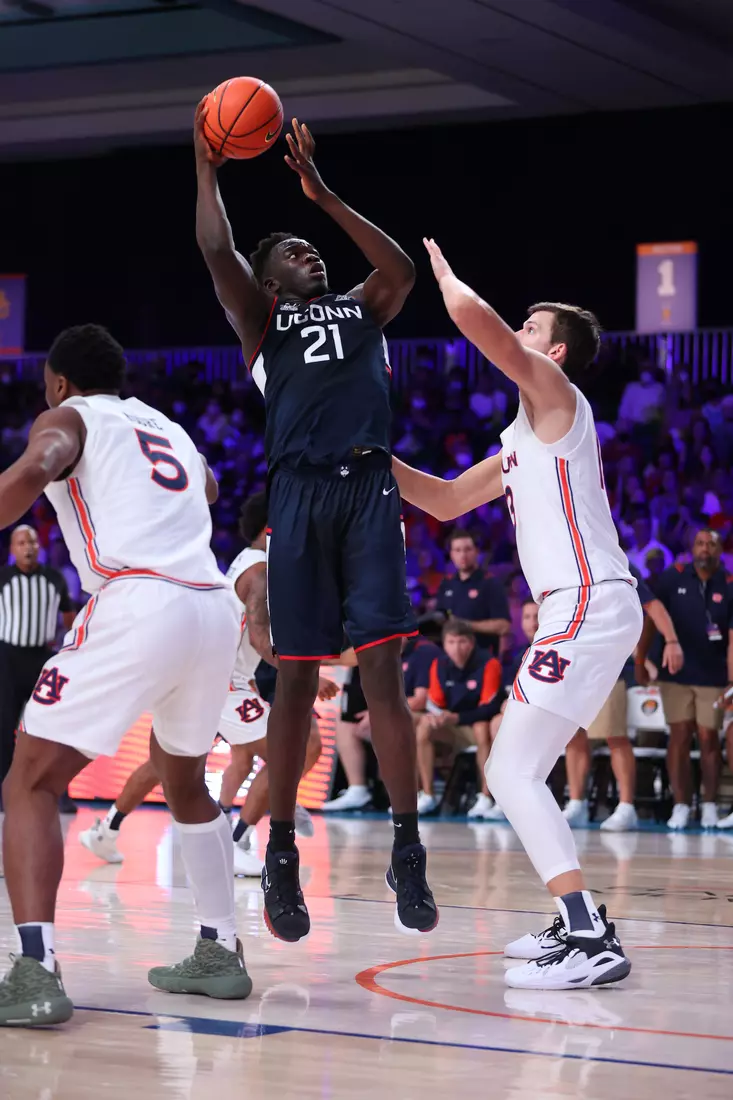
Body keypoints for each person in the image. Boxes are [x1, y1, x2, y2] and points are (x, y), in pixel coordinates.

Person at [194, 104, 436, 941]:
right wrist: (206, 167)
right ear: (269, 283)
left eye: (313, 246)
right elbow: (215, 250)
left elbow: (399, 267)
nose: (310, 252)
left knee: (382, 677)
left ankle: (407, 848)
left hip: (368, 490)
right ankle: (283, 851)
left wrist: (323, 194)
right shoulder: (263, 323)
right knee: (294, 680)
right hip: (296, 496)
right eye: (293, 250)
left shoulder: (363, 308)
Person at [394, 240, 642, 991]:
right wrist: (370, 455)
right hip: (581, 608)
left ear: (555, 350)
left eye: (532, 328)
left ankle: (586, 934)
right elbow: (439, 501)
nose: (521, 335)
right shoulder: (518, 438)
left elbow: (482, 329)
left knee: (508, 767)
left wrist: (441, 280)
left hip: (587, 602)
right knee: (517, 769)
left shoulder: (558, 397)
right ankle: (578, 919)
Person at [0, 324, 249, 1029]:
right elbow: (207, 482)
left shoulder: (67, 417)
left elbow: (35, 466)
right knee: (184, 780)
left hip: (142, 599)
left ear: (56, 381)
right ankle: (220, 950)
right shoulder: (166, 426)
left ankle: (34, 970)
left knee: (29, 780)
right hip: (209, 608)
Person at [78, 492, 335, 873]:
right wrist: (308, 677)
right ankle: (238, 840)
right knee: (300, 746)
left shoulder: (254, 564)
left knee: (165, 762)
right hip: (222, 682)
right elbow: (262, 641)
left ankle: (106, 829)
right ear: (273, 528)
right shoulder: (259, 571)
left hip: (207, 672)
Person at [563, 564, 682, 832]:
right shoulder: (567, 562)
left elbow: (653, 607)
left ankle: (627, 807)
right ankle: (576, 803)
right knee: (572, 735)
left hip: (610, 666)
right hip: (575, 661)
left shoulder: (617, 563)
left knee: (614, 735)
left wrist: (671, 641)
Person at [638, 528, 733, 830]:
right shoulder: (673, 577)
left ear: (720, 550)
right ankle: (681, 804)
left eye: (711, 545)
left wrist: (731, 682)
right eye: (700, 543)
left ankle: (707, 805)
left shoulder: (729, 584)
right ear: (692, 548)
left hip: (714, 676)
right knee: (678, 736)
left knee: (708, 740)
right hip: (675, 674)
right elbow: (652, 618)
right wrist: (641, 659)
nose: (705, 549)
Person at [0, 526, 76, 812]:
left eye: (31, 541)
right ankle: (5, 793)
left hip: (42, 659)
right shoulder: (3, 578)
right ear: (12, 549)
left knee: (51, 727)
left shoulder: (54, 578)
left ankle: (59, 793)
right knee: (4, 727)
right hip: (6, 658)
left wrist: (69, 649)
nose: (27, 547)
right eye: (21, 543)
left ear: (39, 546)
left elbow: (69, 617)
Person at [323, 632, 441, 812]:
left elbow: (420, 700)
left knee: (390, 725)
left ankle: (411, 793)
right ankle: (358, 789)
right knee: (346, 724)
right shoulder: (382, 654)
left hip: (424, 716)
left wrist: (378, 712)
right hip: (391, 714)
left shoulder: (424, 652)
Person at [416, 620, 503, 815]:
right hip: (453, 724)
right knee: (424, 725)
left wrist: (456, 717)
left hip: (478, 723)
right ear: (444, 644)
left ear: (471, 643)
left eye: (462, 641)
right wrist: (437, 717)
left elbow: (490, 707)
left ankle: (486, 796)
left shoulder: (489, 663)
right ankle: (428, 794)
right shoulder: (439, 664)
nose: (456, 647)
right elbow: (436, 703)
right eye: (451, 642)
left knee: (482, 728)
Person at [434, 529, 511, 657]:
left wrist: (464, 625)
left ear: (476, 551)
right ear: (451, 554)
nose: (463, 555)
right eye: (457, 550)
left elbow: (503, 626)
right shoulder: (446, 584)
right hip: (450, 660)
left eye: (468, 549)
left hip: (483, 659)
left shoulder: (491, 583)